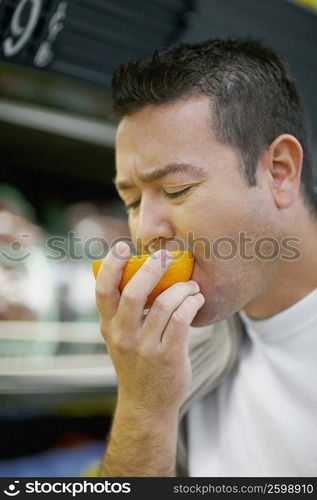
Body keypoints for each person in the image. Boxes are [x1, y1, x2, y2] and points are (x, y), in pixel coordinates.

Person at [94, 38, 317, 477]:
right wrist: (143, 410)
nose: (146, 231)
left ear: (279, 172)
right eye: (133, 201)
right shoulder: (184, 357)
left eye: (177, 190)